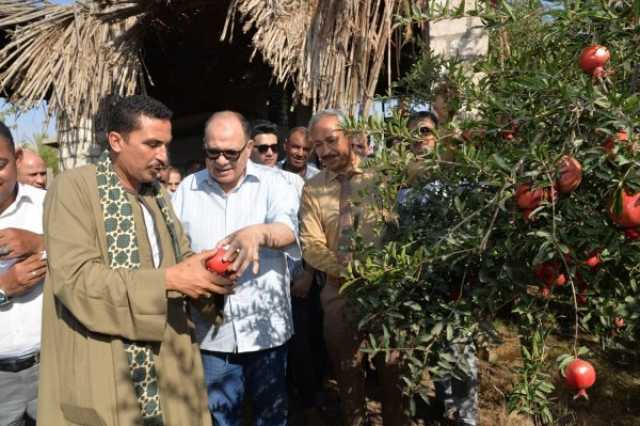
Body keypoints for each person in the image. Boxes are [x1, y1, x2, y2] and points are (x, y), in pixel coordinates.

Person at [38, 95, 233, 426]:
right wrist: (169, 280)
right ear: (116, 141)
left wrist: (208, 270)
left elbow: (178, 257)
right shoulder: (75, 188)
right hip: (105, 360)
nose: (163, 156)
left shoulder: (156, 195)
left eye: (166, 145)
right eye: (152, 144)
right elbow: (75, 279)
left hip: (171, 361)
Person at [172, 111, 299, 426]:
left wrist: (258, 233)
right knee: (219, 417)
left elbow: (288, 231)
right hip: (214, 335)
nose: (221, 160)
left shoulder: (275, 182)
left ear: (249, 147)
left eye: (231, 152)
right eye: (213, 152)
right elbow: (173, 247)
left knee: (270, 415)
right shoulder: (188, 189)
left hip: (266, 330)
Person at [300, 110, 408, 426]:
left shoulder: (384, 175)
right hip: (338, 292)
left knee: (392, 368)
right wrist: (347, 271)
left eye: (331, 140)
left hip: (385, 291)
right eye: (317, 145)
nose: (325, 151)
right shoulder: (312, 188)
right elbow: (310, 243)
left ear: (351, 136)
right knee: (346, 370)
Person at [402, 111, 478, 426]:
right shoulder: (402, 183)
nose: (420, 138)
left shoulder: (456, 174)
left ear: (437, 135)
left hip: (455, 278)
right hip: (423, 281)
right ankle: (447, 408)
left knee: (460, 348)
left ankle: (466, 417)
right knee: (435, 348)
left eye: (425, 131)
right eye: (414, 133)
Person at [0, 122, 47, 426]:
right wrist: (4, 288)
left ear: (17, 160)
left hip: (52, 370)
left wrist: (42, 243)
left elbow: (90, 259)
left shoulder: (49, 205)